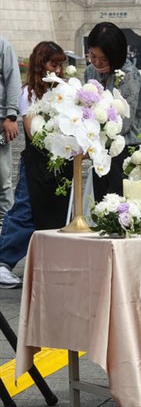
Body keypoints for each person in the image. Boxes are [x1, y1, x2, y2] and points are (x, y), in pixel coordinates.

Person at [0, 42, 70, 289]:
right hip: (38, 160)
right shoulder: (28, 93)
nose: (58, 70)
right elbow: (31, 130)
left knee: (59, 210)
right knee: (25, 209)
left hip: (62, 160)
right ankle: (3, 261)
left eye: (61, 64)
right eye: (54, 64)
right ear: (41, 64)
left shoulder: (66, 90)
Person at [85, 22, 141, 201]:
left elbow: (124, 122)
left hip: (127, 148)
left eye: (104, 59)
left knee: (121, 204)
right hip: (101, 148)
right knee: (101, 202)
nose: (97, 63)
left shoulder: (128, 74)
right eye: (93, 56)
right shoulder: (90, 71)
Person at [0, 35, 21, 231]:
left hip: (0, 121)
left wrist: (11, 116)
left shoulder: (3, 45)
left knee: (2, 181)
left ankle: (5, 232)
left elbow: (13, 79)